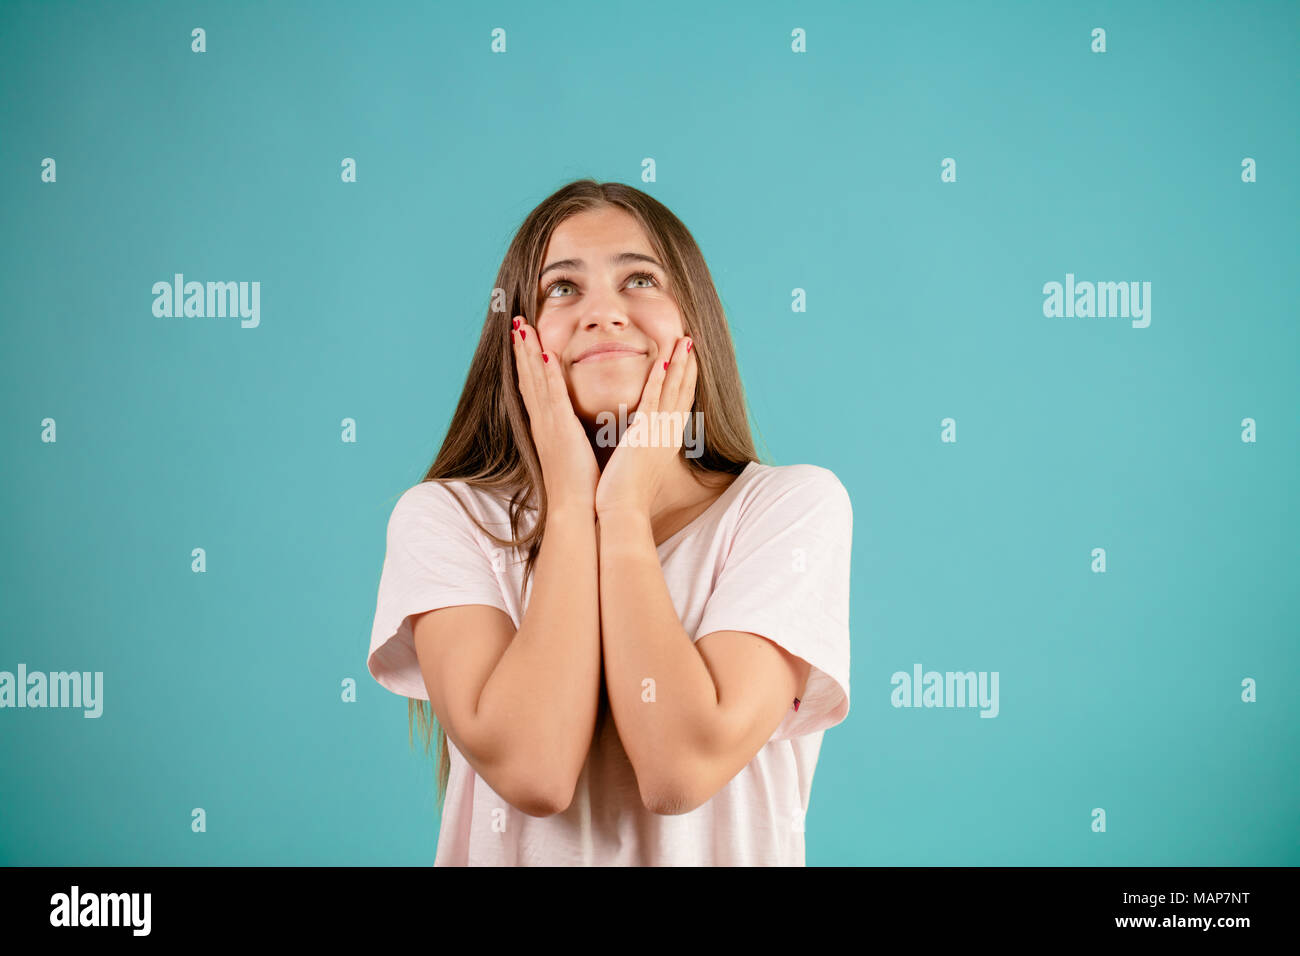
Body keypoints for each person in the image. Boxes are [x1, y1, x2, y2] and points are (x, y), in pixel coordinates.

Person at [366, 179, 853, 865]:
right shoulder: (446, 520)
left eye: (641, 279)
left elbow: (680, 767)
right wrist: (570, 502)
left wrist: (620, 512)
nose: (604, 313)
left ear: (694, 324)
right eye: (563, 289)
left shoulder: (787, 511)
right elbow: (534, 770)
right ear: (517, 336)